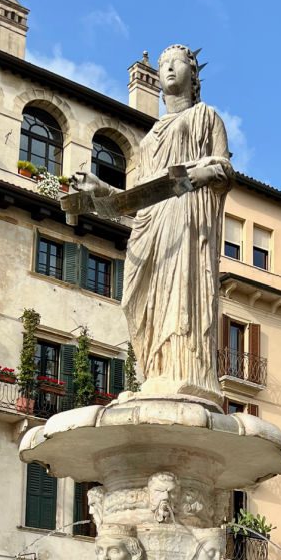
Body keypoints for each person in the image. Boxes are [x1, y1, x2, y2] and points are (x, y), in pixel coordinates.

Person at [73, 44, 232, 399]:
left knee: (181, 291)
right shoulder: (150, 137)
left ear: (193, 73)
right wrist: (101, 188)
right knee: (138, 299)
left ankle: (186, 372)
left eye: (177, 62)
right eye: (163, 65)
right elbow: (131, 200)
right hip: (151, 222)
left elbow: (223, 169)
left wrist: (193, 174)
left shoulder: (205, 117)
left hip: (186, 215)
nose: (169, 68)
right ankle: (154, 374)